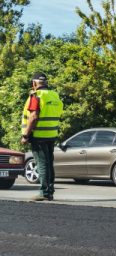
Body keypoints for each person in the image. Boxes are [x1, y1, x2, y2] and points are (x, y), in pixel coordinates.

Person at [21, 72, 63, 201]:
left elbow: (33, 117)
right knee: (49, 163)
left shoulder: (36, 96)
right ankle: (49, 191)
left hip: (38, 135)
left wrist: (25, 135)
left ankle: (44, 192)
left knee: (42, 164)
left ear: (34, 83)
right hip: (51, 134)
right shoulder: (55, 95)